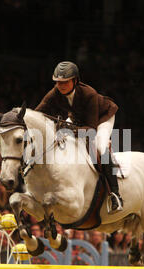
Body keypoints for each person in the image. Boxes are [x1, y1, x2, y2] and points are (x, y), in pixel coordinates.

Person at [35, 61, 123, 213]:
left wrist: (67, 131)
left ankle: (115, 195)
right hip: (78, 120)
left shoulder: (89, 94)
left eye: (64, 82)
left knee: (101, 147)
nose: (60, 85)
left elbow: (90, 130)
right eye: (57, 82)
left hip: (101, 119)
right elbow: (37, 113)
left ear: (75, 80)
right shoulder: (55, 93)